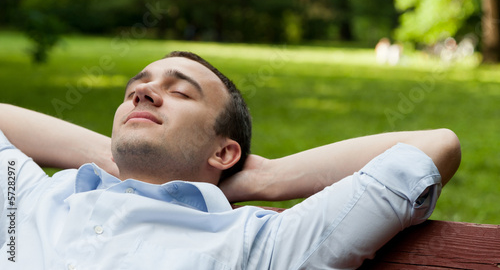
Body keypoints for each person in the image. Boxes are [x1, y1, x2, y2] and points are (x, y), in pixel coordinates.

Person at [0, 51, 461, 269]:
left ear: (224, 152)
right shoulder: (34, 199)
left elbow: (435, 147)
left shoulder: (257, 246)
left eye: (178, 91)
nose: (143, 92)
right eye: (135, 92)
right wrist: (115, 157)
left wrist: (267, 176)